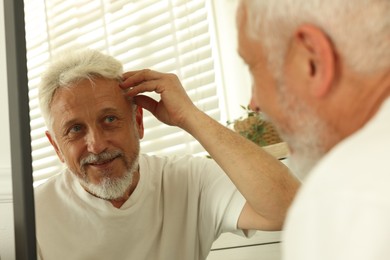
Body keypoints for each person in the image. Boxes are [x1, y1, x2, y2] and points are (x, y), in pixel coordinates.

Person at [121, 0, 390, 259]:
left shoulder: (353, 200)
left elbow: (284, 206)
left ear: (312, 60)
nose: (253, 104)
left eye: (254, 68)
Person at [34, 48, 300, 260]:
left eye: (110, 119)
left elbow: (289, 209)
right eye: (75, 129)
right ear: (56, 146)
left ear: (138, 121)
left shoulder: (189, 181)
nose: (97, 144)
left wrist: (189, 116)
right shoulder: (32, 219)